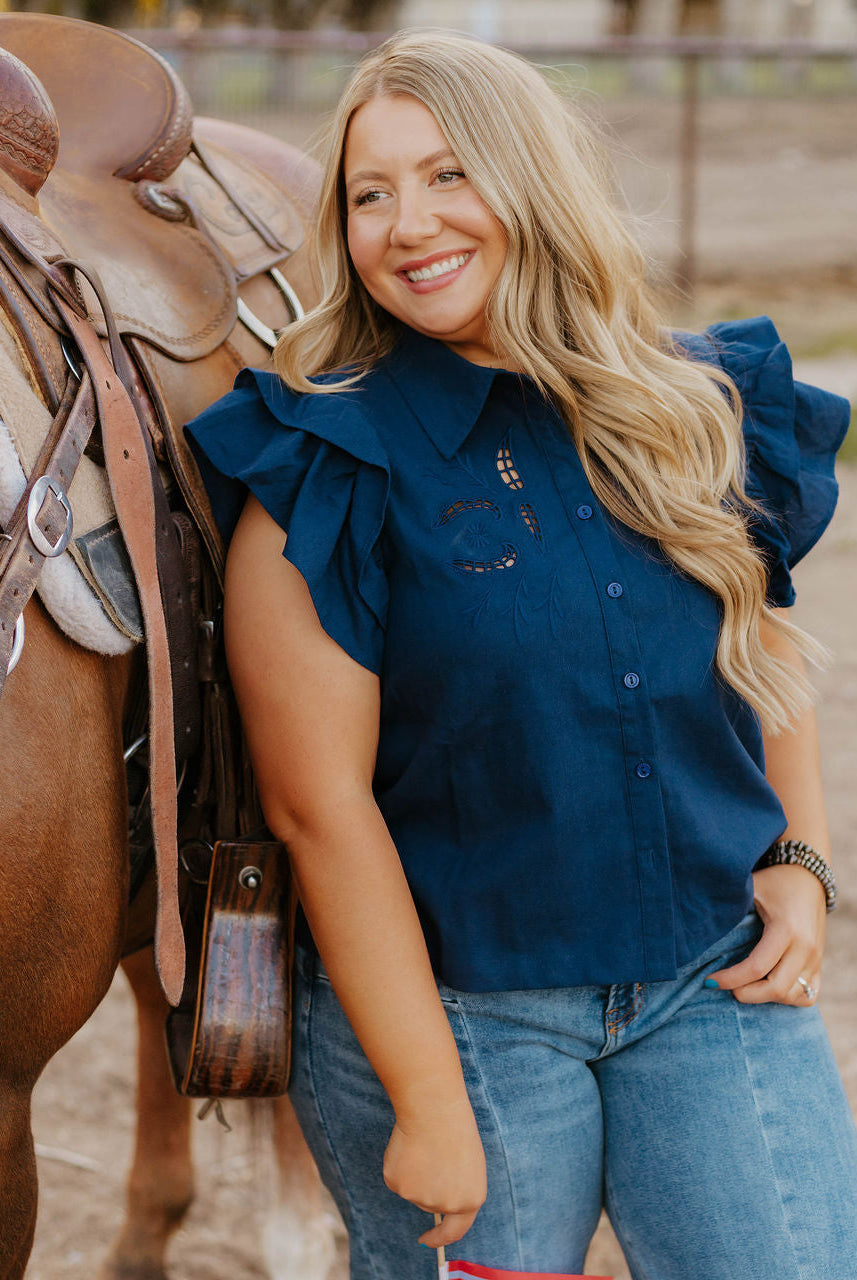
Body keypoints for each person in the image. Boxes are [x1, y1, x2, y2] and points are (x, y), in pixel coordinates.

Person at [185, 30, 857, 1280]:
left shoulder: (694, 402)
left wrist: (800, 861)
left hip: (708, 980)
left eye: (448, 174)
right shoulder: (324, 459)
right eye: (369, 193)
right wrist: (428, 1096)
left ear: (530, 177)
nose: (407, 224)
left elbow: (758, 643)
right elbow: (317, 806)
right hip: (461, 1013)